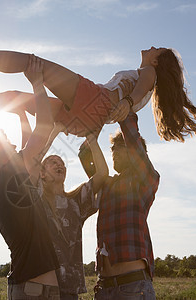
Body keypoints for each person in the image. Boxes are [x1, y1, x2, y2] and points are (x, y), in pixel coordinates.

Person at [0, 20, 196, 141]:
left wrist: (127, 101)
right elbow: (124, 110)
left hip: (95, 101)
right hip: (87, 122)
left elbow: (138, 89)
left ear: (157, 61)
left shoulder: (148, 75)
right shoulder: (144, 88)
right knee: (15, 98)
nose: (152, 46)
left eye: (158, 49)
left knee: (32, 64)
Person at [0, 55, 60, 299]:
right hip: (33, 292)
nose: (13, 144)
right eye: (5, 143)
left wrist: (22, 115)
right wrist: (37, 83)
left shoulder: (8, 183)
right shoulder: (8, 177)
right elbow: (43, 127)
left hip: (35, 290)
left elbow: (30, 149)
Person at [79, 109, 160, 299]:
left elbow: (133, 139)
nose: (113, 152)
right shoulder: (106, 184)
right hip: (104, 288)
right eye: (112, 148)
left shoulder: (145, 180)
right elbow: (85, 154)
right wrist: (95, 125)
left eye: (118, 147)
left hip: (133, 287)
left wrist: (124, 110)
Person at [38, 132, 108, 299]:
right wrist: (55, 130)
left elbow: (102, 173)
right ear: (41, 173)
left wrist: (92, 139)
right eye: (52, 162)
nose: (59, 164)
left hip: (69, 288)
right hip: (41, 286)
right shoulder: (36, 199)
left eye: (61, 163)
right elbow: (31, 163)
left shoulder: (76, 202)